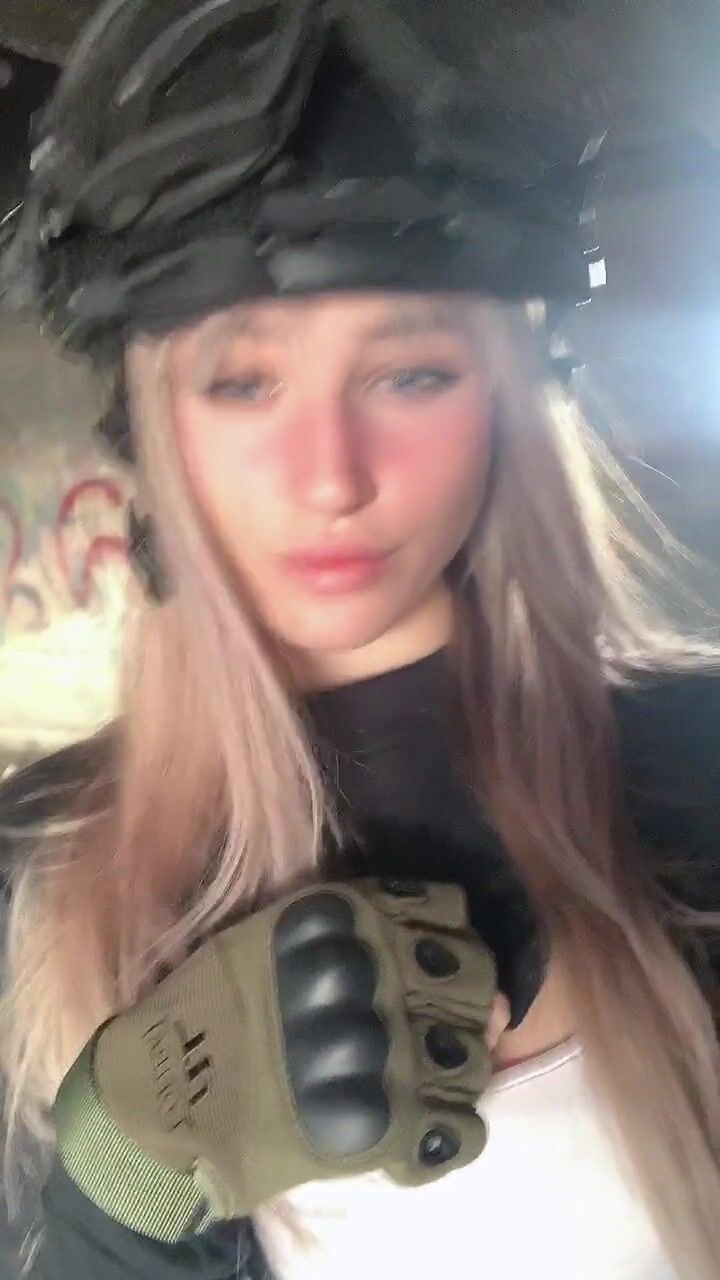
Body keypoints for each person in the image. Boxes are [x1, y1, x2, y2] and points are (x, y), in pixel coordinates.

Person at [0, 3, 719, 1279]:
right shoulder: (32, 879)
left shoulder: (700, 767)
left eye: (411, 374)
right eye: (244, 382)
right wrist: (122, 1179)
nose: (331, 474)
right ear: (155, 424)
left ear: (508, 398)